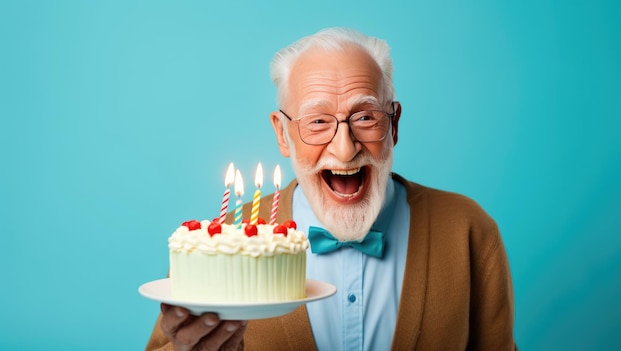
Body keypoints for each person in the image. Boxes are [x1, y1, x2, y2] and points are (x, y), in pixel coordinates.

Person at [145, 27, 517, 351]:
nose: (345, 148)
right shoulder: (223, 243)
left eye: (366, 117)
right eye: (318, 121)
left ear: (395, 124)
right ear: (282, 133)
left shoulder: (469, 230)